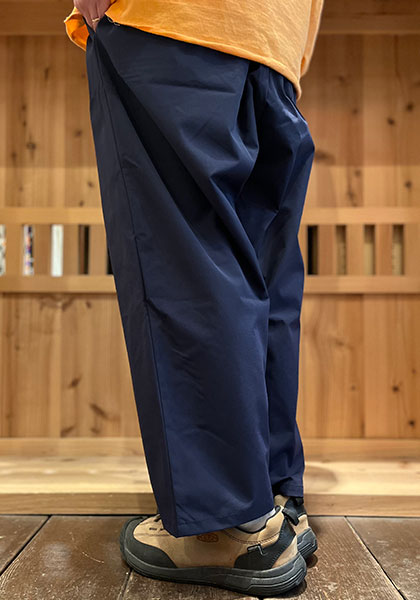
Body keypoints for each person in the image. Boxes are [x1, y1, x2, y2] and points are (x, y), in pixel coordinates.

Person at [64, 0, 324, 595]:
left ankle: (228, 524)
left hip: (169, 23)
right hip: (275, 43)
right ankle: (274, 500)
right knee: (260, 277)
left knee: (183, 268)